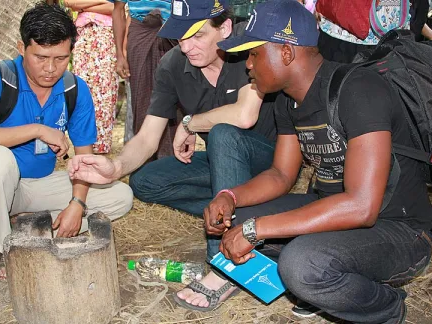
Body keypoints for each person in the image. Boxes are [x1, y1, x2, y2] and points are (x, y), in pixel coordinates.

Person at [209, 0, 432, 321]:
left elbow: (361, 207)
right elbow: (280, 175)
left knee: (301, 264)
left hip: (400, 232)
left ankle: (385, 307)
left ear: (286, 52)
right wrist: (230, 197)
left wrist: (255, 229)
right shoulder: (288, 101)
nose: (248, 65)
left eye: (254, 53)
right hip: (339, 220)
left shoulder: (358, 89)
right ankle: (328, 281)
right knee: (238, 220)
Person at [68, 0, 278, 311]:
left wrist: (191, 123)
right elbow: (148, 138)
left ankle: (223, 264)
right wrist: (115, 168)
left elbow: (245, 115)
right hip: (226, 170)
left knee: (221, 132)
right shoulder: (172, 64)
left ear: (226, 28)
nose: (187, 47)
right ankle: (243, 217)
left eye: (198, 36)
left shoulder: (247, 53)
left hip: (267, 165)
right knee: (145, 181)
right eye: (181, 37)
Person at [0, 2, 133, 280]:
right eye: (40, 57)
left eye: (60, 58)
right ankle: (3, 246)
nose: (50, 68)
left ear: (71, 52)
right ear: (21, 47)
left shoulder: (75, 89)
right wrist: (36, 129)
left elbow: (85, 161)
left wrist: (77, 205)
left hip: (38, 189)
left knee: (121, 197)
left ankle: (26, 223)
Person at [112, 0, 177, 159]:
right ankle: (144, 163)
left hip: (175, 33)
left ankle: (172, 161)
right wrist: (120, 55)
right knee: (142, 100)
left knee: (176, 101)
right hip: (140, 32)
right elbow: (118, 10)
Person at [65, 0, 119, 154]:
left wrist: (85, 6)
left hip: (107, 36)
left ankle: (101, 146)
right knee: (82, 89)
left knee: (105, 91)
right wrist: (102, 1)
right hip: (83, 36)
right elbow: (71, 3)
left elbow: (115, 7)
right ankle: (82, 144)